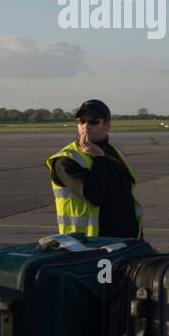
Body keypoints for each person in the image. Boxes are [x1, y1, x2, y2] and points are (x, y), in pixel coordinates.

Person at [46, 99, 144, 237]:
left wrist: (140, 240)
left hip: (126, 242)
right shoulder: (67, 159)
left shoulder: (114, 152)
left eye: (93, 122)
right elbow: (92, 196)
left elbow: (126, 199)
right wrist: (99, 159)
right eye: (81, 121)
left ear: (107, 124)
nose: (86, 126)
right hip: (91, 246)